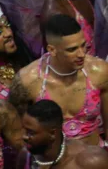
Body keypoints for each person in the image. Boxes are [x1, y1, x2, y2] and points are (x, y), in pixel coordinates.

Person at [9, 15, 108, 146]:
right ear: (52, 50)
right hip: (50, 162)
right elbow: (20, 134)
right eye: (72, 49)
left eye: (83, 45)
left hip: (94, 158)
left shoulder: (99, 72)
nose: (81, 54)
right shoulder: (27, 81)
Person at [20, 100, 108, 169]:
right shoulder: (25, 156)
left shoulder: (91, 161)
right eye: (23, 129)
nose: (23, 136)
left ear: (52, 133)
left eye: (30, 132)